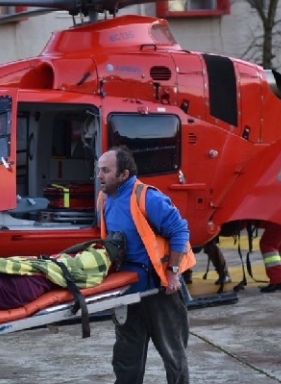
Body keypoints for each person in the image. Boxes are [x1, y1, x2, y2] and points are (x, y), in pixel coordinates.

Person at [96, 145, 193, 384]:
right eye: (99, 170)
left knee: (173, 355)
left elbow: (180, 230)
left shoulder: (147, 197)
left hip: (159, 290)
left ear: (124, 174)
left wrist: (172, 273)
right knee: (126, 358)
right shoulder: (104, 199)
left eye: (106, 171)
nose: (100, 176)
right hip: (126, 291)